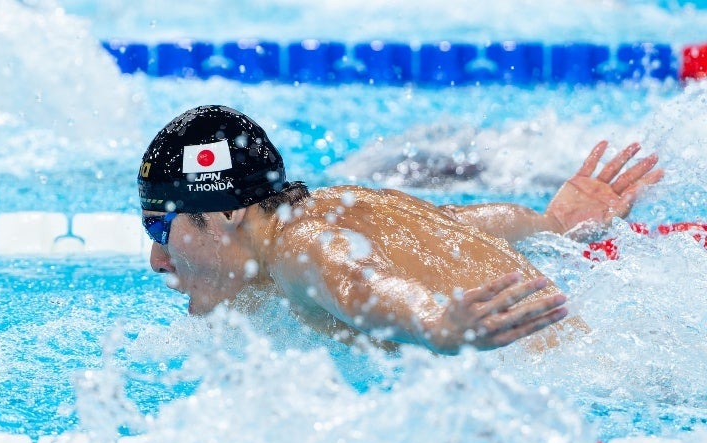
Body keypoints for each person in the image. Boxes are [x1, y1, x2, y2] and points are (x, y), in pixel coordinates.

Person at [138, 105, 663, 355]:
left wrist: (436, 321)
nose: (157, 259)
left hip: (574, 384)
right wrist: (551, 224)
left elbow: (361, 282)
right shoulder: (340, 205)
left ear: (228, 211)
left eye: (161, 224)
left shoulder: (300, 248)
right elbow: (456, 223)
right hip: (608, 354)